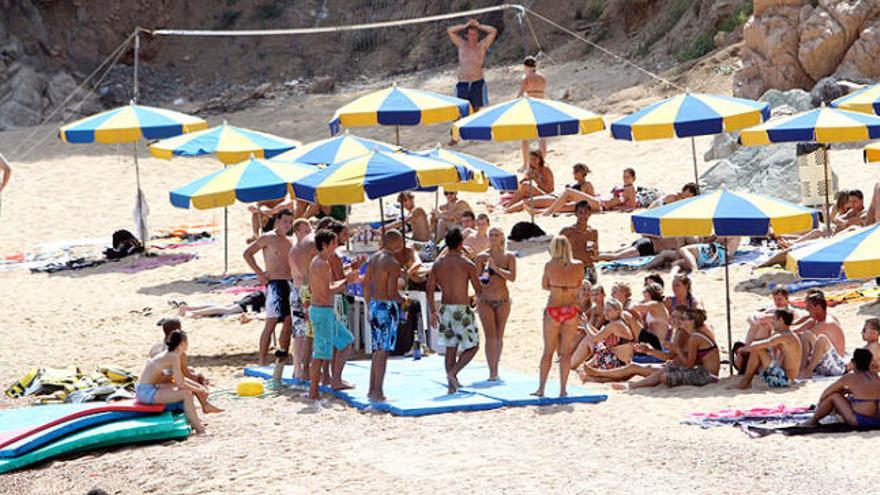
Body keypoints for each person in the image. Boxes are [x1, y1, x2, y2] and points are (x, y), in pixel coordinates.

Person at [428, 228, 483, 394]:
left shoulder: (438, 264)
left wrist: (432, 311)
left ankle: (452, 386)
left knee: (450, 348)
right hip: (462, 309)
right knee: (473, 346)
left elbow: (429, 289)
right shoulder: (467, 264)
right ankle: (453, 373)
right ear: (461, 244)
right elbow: (479, 289)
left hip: (445, 309)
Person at [307, 229, 359, 402]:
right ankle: (313, 392)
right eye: (333, 243)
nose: (336, 246)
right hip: (322, 312)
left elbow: (329, 285)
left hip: (325, 311)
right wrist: (347, 281)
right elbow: (327, 290)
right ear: (325, 245)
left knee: (346, 341)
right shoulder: (320, 263)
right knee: (320, 354)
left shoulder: (322, 262)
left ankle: (335, 380)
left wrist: (350, 273)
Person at [615, 307, 720, 389]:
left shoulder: (695, 337)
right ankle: (633, 386)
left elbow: (689, 365)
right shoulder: (695, 335)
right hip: (702, 372)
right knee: (665, 370)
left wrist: (676, 349)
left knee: (665, 376)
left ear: (691, 322)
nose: (681, 321)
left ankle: (632, 386)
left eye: (683, 319)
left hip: (708, 376)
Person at [243, 210, 295, 365]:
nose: (288, 225)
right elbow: (247, 253)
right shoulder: (268, 238)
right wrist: (259, 273)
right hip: (275, 283)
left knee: (289, 321)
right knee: (271, 322)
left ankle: (282, 357)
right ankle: (262, 359)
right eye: (285, 221)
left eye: (290, 222)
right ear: (277, 221)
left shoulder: (289, 241)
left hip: (289, 282)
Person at [534, 235, 583, 397]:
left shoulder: (549, 265)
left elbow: (544, 285)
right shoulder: (579, 265)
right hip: (570, 310)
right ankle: (563, 390)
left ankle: (541, 389)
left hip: (554, 309)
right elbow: (578, 286)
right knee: (566, 353)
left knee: (548, 351)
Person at [363, 230, 406, 402]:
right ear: (396, 242)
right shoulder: (392, 263)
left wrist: (368, 305)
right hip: (386, 307)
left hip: (374, 304)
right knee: (383, 350)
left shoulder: (374, 258)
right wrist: (404, 300)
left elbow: (366, 283)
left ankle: (372, 388)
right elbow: (392, 292)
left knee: (377, 349)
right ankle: (378, 391)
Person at [136, 331, 207, 434]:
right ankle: (200, 429)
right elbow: (180, 383)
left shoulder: (170, 354)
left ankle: (194, 422)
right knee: (186, 395)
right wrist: (199, 389)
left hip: (146, 389)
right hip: (146, 392)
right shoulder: (173, 357)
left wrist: (198, 388)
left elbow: (179, 379)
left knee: (185, 392)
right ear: (182, 343)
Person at [148, 319, 223, 415]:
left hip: (153, 382)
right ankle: (205, 405)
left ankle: (204, 405)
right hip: (162, 385)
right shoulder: (177, 353)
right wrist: (200, 380)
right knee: (192, 380)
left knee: (191, 373)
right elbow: (186, 375)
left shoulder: (155, 347)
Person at [474, 226, 517, 381]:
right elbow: (478, 280)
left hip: (503, 300)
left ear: (502, 237)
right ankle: (492, 371)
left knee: (499, 336)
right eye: (491, 235)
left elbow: (512, 277)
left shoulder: (509, 256)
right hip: (485, 300)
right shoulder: (481, 257)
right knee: (490, 336)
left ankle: (496, 368)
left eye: (496, 235)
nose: (493, 237)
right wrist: (486, 274)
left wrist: (496, 269)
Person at [799, 348, 880, 428]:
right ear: (870, 363)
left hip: (859, 420)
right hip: (877, 420)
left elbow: (826, 392)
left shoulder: (850, 378)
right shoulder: (876, 377)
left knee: (834, 396)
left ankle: (813, 421)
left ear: (854, 363)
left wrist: (819, 406)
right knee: (848, 395)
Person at [325, 221, 362, 390]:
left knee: (332, 341)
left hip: (330, 299)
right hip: (337, 299)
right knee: (343, 341)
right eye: (345, 234)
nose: (347, 238)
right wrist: (352, 276)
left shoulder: (325, 256)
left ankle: (330, 377)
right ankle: (336, 379)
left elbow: (337, 274)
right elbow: (340, 279)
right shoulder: (334, 256)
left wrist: (352, 267)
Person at [733, 288, 806, 373]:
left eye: (780, 299)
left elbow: (789, 326)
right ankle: (748, 355)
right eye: (775, 299)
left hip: (778, 342)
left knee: (764, 327)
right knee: (758, 326)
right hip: (772, 340)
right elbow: (752, 317)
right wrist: (755, 319)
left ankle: (748, 356)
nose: (777, 302)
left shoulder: (789, 313)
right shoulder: (773, 310)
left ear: (786, 299)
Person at [733, 309, 803, 389]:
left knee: (758, 349)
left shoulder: (784, 336)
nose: (773, 323)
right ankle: (745, 382)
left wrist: (741, 349)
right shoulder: (787, 334)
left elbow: (758, 345)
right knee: (758, 349)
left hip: (785, 380)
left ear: (780, 320)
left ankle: (745, 382)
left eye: (774, 319)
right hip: (785, 377)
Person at [579, 299, 637, 382]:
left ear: (617, 311)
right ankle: (585, 367)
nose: (605, 313)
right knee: (601, 344)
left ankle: (576, 366)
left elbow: (595, 338)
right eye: (605, 310)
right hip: (621, 362)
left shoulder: (614, 325)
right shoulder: (619, 322)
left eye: (609, 310)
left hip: (618, 363)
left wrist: (585, 325)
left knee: (597, 344)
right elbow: (600, 335)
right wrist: (586, 326)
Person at [288, 218, 317, 380]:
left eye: (309, 229)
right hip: (302, 291)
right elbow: (305, 274)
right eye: (305, 230)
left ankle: (298, 367)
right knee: (303, 332)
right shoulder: (299, 250)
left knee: (301, 331)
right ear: (297, 232)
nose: (309, 233)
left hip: (298, 290)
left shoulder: (298, 249)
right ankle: (299, 367)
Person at [447, 18, 497, 112]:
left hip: (477, 82)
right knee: (461, 110)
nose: (473, 37)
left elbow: (493, 31)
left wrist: (479, 26)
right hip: (463, 82)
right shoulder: (462, 44)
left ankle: (473, 126)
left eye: (475, 35)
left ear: (478, 35)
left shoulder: (482, 46)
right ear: (467, 35)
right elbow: (450, 31)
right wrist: (465, 25)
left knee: (475, 109)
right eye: (471, 35)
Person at [795, 291, 847, 379]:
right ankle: (802, 369)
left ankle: (808, 371)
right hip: (826, 360)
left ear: (818, 307)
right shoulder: (821, 318)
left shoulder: (826, 323)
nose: (806, 309)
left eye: (809, 307)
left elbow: (800, 338)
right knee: (806, 335)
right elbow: (798, 329)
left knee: (818, 339)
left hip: (834, 363)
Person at [516, 55, 548, 168]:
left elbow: (520, 94)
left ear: (525, 66)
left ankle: (525, 164)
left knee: (525, 136)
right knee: (542, 136)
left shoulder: (526, 77)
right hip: (541, 105)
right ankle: (542, 162)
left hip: (530, 107)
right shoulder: (543, 77)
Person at [560, 200, 599, 284]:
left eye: (586, 212)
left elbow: (596, 257)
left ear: (590, 214)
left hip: (589, 268)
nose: (583, 215)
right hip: (573, 268)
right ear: (576, 214)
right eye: (580, 213)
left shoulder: (593, 232)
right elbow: (554, 249)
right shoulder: (567, 231)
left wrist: (595, 250)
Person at [574, 167, 639, 212]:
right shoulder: (625, 187)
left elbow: (631, 207)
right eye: (624, 177)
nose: (625, 179)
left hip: (601, 205)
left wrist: (615, 208)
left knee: (571, 195)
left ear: (633, 178)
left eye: (628, 177)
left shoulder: (631, 190)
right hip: (599, 199)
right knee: (586, 186)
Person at [670, 236, 741, 275]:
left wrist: (703, 242)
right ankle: (671, 276)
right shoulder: (733, 229)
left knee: (683, 249)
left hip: (720, 254)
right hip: (719, 258)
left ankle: (695, 270)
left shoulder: (728, 230)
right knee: (678, 263)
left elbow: (716, 241)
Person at [630, 282, 671, 347]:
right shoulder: (656, 306)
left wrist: (630, 303)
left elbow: (636, 307)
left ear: (651, 295)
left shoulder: (655, 304)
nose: (644, 299)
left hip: (657, 343)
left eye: (646, 296)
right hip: (653, 340)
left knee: (627, 316)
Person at [174, 291, 265, 320]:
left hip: (258, 296)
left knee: (224, 307)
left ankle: (187, 308)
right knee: (228, 310)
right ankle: (195, 312)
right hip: (258, 299)